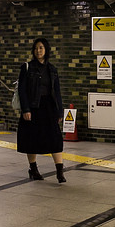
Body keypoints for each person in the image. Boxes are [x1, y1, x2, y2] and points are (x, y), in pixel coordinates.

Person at [16, 37, 66, 182]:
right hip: (33, 107)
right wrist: (26, 109)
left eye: (41, 48)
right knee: (32, 139)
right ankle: (34, 169)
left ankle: (60, 171)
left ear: (46, 50)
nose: (38, 50)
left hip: (49, 107)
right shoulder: (27, 67)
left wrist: (60, 111)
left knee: (55, 138)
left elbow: (57, 92)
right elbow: (22, 90)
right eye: (36, 48)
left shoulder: (52, 69)